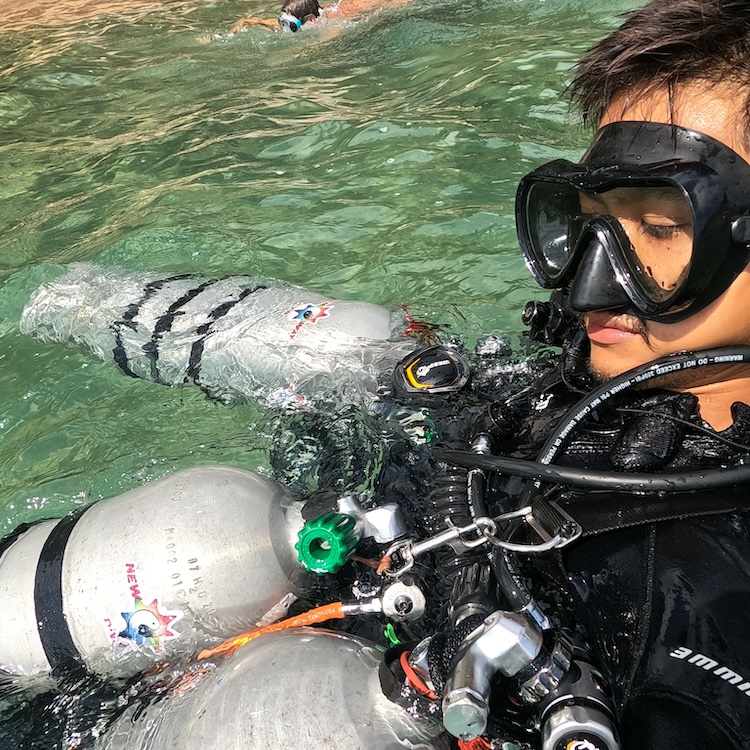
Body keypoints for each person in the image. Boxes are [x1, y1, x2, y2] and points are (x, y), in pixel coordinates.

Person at [14, 0, 750, 747]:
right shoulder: (603, 358)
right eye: (587, 224)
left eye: (660, 229)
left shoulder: (702, 600)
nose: (589, 288)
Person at [231, 0, 408, 34]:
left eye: (292, 26)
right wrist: (245, 22)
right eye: (283, 21)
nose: (285, 28)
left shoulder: (333, 27)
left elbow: (317, 47)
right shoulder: (306, 18)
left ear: (312, 20)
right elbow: (263, 21)